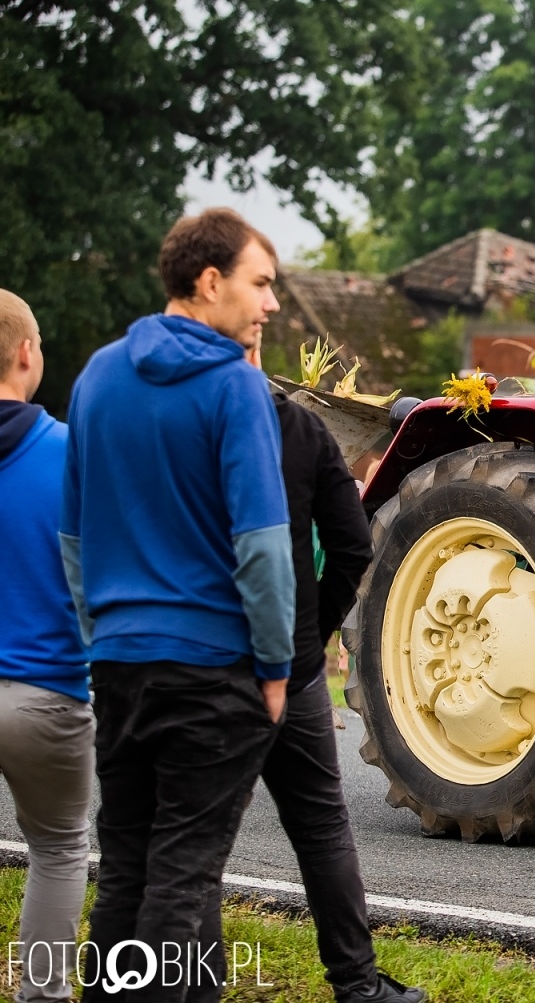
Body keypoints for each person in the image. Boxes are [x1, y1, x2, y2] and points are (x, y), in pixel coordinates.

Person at [63, 208, 296, 1002]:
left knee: (126, 867)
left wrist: (100, 636)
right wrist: (274, 667)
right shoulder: (234, 385)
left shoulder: (96, 375)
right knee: (182, 882)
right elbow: (263, 546)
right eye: (260, 284)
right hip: (212, 667)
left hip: (120, 661)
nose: (269, 305)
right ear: (210, 282)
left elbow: (73, 535)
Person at [243, 347, 424, 1003]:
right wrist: (304, 641)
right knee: (321, 825)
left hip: (206, 654)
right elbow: (350, 548)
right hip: (286, 660)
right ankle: (356, 983)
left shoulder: (139, 417)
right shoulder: (298, 428)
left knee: (184, 842)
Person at [0, 291, 94, 1003]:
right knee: (58, 850)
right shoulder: (69, 455)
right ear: (27, 353)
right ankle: (41, 995)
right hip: (48, 694)